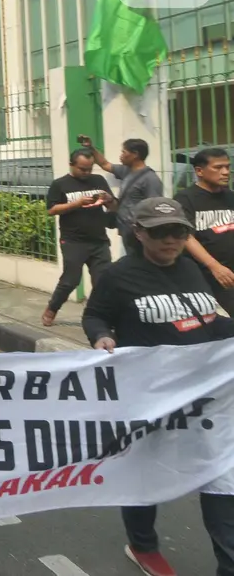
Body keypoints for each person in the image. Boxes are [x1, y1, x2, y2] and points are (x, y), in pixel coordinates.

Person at [82, 197, 234, 576]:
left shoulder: (191, 268)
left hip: (206, 396)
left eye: (179, 232)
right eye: (161, 233)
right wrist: (101, 337)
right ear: (139, 233)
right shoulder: (119, 275)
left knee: (221, 477)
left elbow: (211, 319)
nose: (171, 240)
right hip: (149, 395)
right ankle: (143, 546)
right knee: (145, 474)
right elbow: (95, 314)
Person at [42, 149, 117, 327]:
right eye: (82, 169)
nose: (87, 173)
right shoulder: (60, 184)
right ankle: (52, 308)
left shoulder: (98, 180)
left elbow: (113, 205)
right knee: (71, 280)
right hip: (73, 241)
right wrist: (77, 203)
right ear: (72, 165)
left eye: (90, 169)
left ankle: (101, 316)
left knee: (103, 280)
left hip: (98, 240)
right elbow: (51, 210)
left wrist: (108, 199)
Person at [78, 136, 163, 255]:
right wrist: (90, 147)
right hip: (126, 231)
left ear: (135, 154)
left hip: (139, 235)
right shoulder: (126, 171)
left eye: (124, 152)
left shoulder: (150, 179)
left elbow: (155, 209)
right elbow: (104, 164)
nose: (121, 155)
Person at [175, 147, 234, 315]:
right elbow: (186, 236)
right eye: (218, 167)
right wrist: (214, 266)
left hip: (229, 272)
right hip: (201, 274)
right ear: (199, 171)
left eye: (227, 167)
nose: (225, 172)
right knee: (200, 321)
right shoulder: (186, 198)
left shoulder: (230, 197)